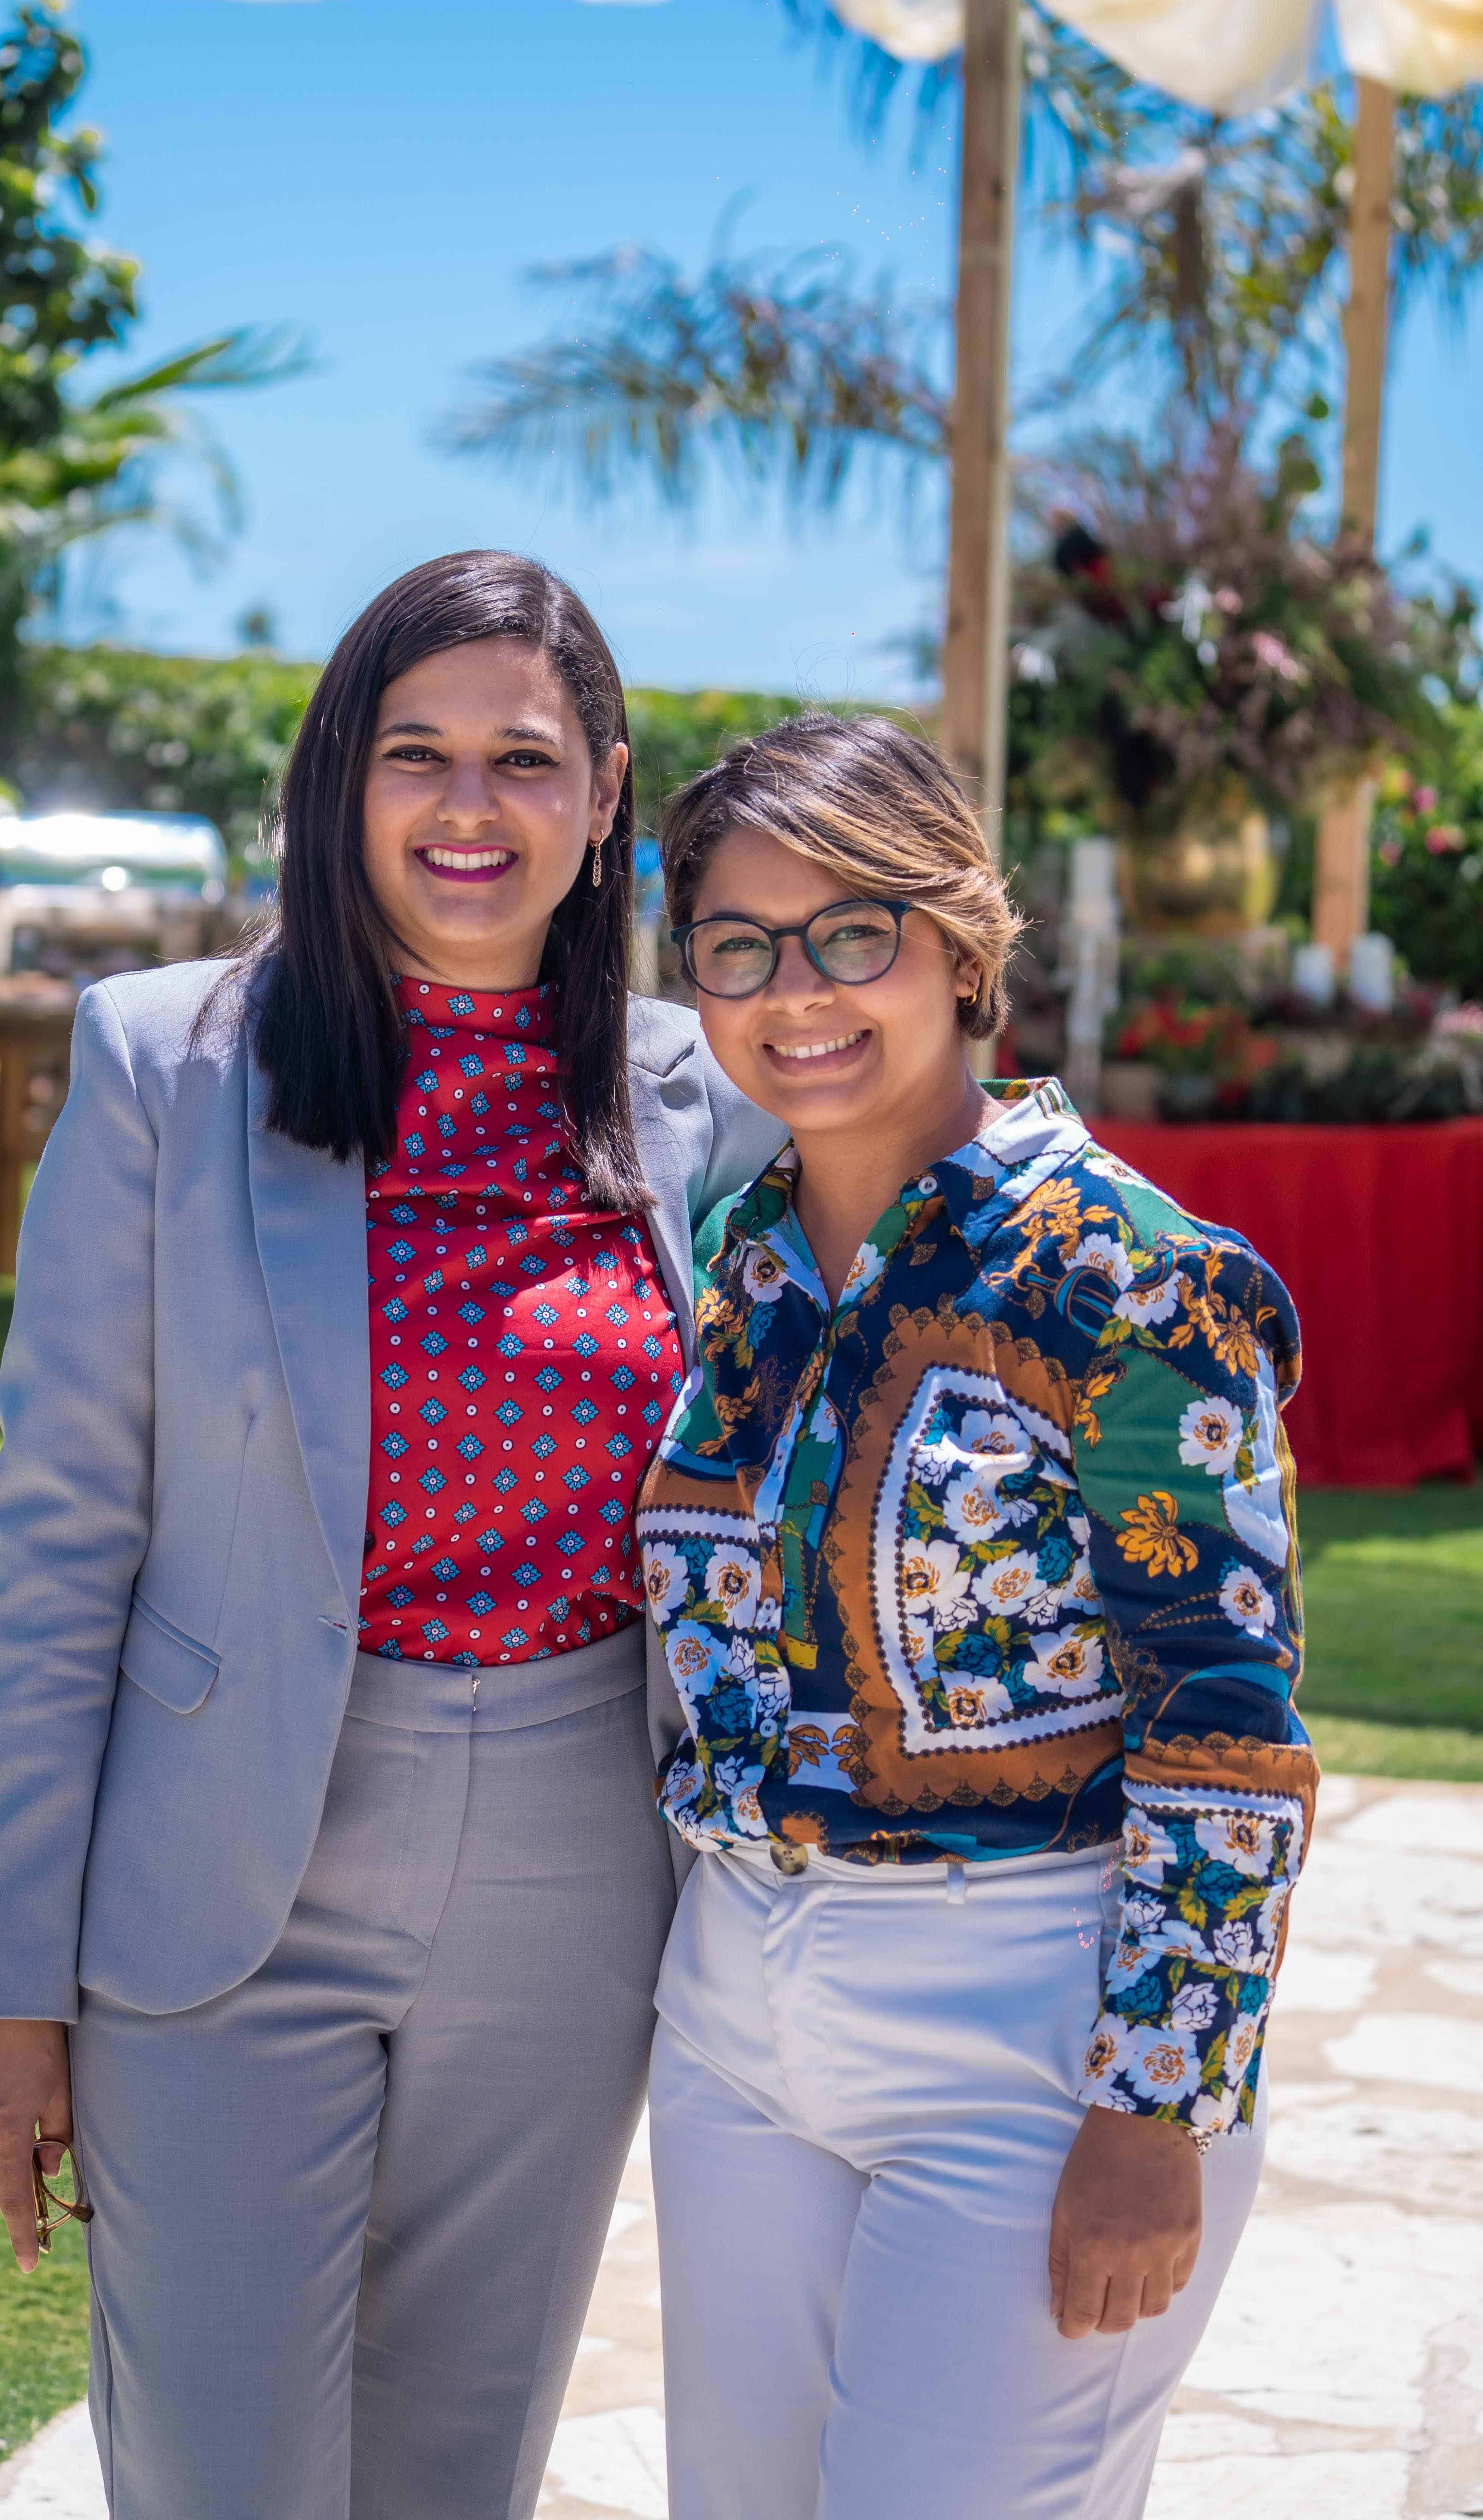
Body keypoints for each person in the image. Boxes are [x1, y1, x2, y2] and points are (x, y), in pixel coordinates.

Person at [0, 552, 779, 2520]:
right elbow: (58, 1547)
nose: (468, 809)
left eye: (524, 759)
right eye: (417, 755)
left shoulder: (705, 1099)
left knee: (453, 2476)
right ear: (340, 779)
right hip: (222, 1873)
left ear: (604, 796)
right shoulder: (166, 1062)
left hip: (576, 1868)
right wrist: (2, 1987)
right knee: (221, 2478)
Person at [635, 713, 1313, 2520]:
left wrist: (1162, 2103)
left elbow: (1228, 1716)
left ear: (960, 944)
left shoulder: (1140, 1282)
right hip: (733, 2010)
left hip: (1033, 2014)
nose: (799, 992)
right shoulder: (731, 1262)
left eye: (853, 932)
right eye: (740, 947)